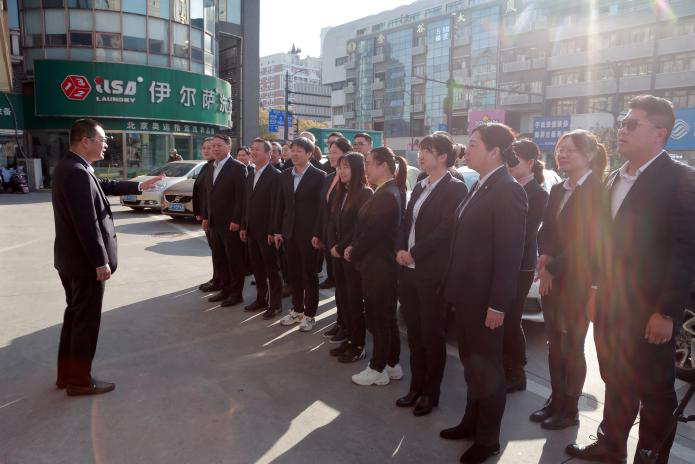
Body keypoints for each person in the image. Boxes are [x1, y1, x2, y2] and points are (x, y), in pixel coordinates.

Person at [567, 96, 695, 464]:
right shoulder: (615, 177)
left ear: (659, 133)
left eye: (632, 124)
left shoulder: (680, 179)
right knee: (616, 379)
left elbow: (685, 252)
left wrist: (666, 312)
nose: (621, 130)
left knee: (655, 393)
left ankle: (650, 457)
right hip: (611, 304)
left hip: (649, 310)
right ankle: (610, 446)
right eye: (622, 123)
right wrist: (595, 289)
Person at [52, 118, 162, 395]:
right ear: (85, 141)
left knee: (75, 316)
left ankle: (67, 375)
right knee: (85, 321)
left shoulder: (73, 167)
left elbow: (104, 186)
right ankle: (79, 381)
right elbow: (86, 224)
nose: (106, 144)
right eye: (102, 139)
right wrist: (100, 262)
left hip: (71, 261)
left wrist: (139, 186)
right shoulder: (77, 173)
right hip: (85, 265)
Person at [440, 123, 527, 464]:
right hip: (466, 295)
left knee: (488, 370)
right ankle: (471, 422)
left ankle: (488, 439)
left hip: (484, 300)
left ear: (495, 152)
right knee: (472, 364)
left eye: (474, 144)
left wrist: (498, 305)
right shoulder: (480, 184)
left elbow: (509, 254)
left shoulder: (508, 189)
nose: (467, 149)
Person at [529, 131, 605, 431]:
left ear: (589, 155)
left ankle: (569, 409)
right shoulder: (559, 188)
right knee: (554, 344)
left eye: (570, 150)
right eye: (561, 149)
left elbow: (588, 242)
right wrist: (544, 255)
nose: (562, 154)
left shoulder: (597, 191)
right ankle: (556, 399)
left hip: (577, 281)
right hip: (552, 278)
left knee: (572, 345)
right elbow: (546, 228)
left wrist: (552, 268)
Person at [395, 133, 468, 416]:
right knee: (413, 333)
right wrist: (400, 249)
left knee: (432, 335)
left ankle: (430, 393)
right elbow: (405, 222)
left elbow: (446, 230)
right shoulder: (420, 185)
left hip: (431, 272)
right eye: (421, 149)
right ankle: (415, 387)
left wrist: (415, 252)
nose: (420, 154)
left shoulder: (455, 188)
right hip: (408, 270)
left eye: (427, 150)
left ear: (443, 157)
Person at [345, 147, 407, 386]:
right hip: (380, 266)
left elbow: (372, 233)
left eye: (369, 163)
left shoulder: (387, 194)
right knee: (386, 317)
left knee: (379, 318)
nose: (366, 168)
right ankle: (391, 363)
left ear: (383, 166)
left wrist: (353, 250)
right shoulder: (387, 190)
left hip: (379, 267)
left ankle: (377, 367)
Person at [503, 140, 549, 393]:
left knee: (512, 318)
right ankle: (505, 367)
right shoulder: (506, 186)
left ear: (530, 163)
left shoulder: (538, 194)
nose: (510, 164)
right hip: (502, 262)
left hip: (521, 264)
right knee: (502, 317)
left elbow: (526, 232)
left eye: (516, 159)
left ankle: (517, 371)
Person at [274, 137, 326, 331]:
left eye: (299, 151)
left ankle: (310, 315)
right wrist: (277, 230)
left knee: (309, 274)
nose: (294, 154)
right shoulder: (285, 175)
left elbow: (322, 209)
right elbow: (280, 204)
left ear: (309, 154)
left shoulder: (319, 176)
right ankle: (297, 310)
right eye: (292, 150)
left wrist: (319, 233)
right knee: (293, 274)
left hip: (310, 235)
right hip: (289, 233)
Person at [328, 153, 373, 363]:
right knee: (344, 298)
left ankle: (358, 345)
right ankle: (348, 338)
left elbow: (359, 226)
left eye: (346, 167)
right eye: (340, 167)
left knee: (355, 301)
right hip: (337, 254)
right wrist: (332, 244)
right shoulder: (341, 191)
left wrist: (340, 246)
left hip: (351, 256)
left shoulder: (365, 193)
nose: (341, 171)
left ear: (357, 169)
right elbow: (332, 221)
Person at [312, 137, 353, 340]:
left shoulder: (353, 182)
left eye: (336, 151)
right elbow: (323, 210)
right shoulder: (329, 178)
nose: (331, 155)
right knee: (338, 285)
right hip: (330, 239)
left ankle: (349, 326)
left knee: (348, 289)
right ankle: (340, 322)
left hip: (345, 243)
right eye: (330, 151)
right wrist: (319, 234)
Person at [202, 134, 248, 308]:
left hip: (231, 224)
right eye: (213, 145)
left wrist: (237, 219)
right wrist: (206, 217)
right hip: (214, 222)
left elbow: (241, 197)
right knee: (219, 257)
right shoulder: (210, 167)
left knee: (233, 259)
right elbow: (208, 195)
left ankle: (236, 294)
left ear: (229, 147)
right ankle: (225, 289)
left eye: (219, 145)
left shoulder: (237, 167)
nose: (215, 149)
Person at [241, 138, 283, 319]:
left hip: (267, 232)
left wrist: (273, 231)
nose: (253, 152)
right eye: (252, 149)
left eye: (257, 149)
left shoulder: (276, 175)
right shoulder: (251, 174)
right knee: (257, 268)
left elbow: (277, 206)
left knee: (272, 269)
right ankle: (261, 299)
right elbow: (246, 202)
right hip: (252, 230)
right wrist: (244, 225)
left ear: (268, 153)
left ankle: (276, 304)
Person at [193, 137, 222, 293]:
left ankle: (219, 280)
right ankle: (216, 277)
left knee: (218, 251)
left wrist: (205, 215)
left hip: (213, 216)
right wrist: (199, 212)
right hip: (206, 215)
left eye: (209, 147)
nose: (206, 150)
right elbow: (200, 192)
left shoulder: (215, 168)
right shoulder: (206, 166)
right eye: (204, 147)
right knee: (215, 250)